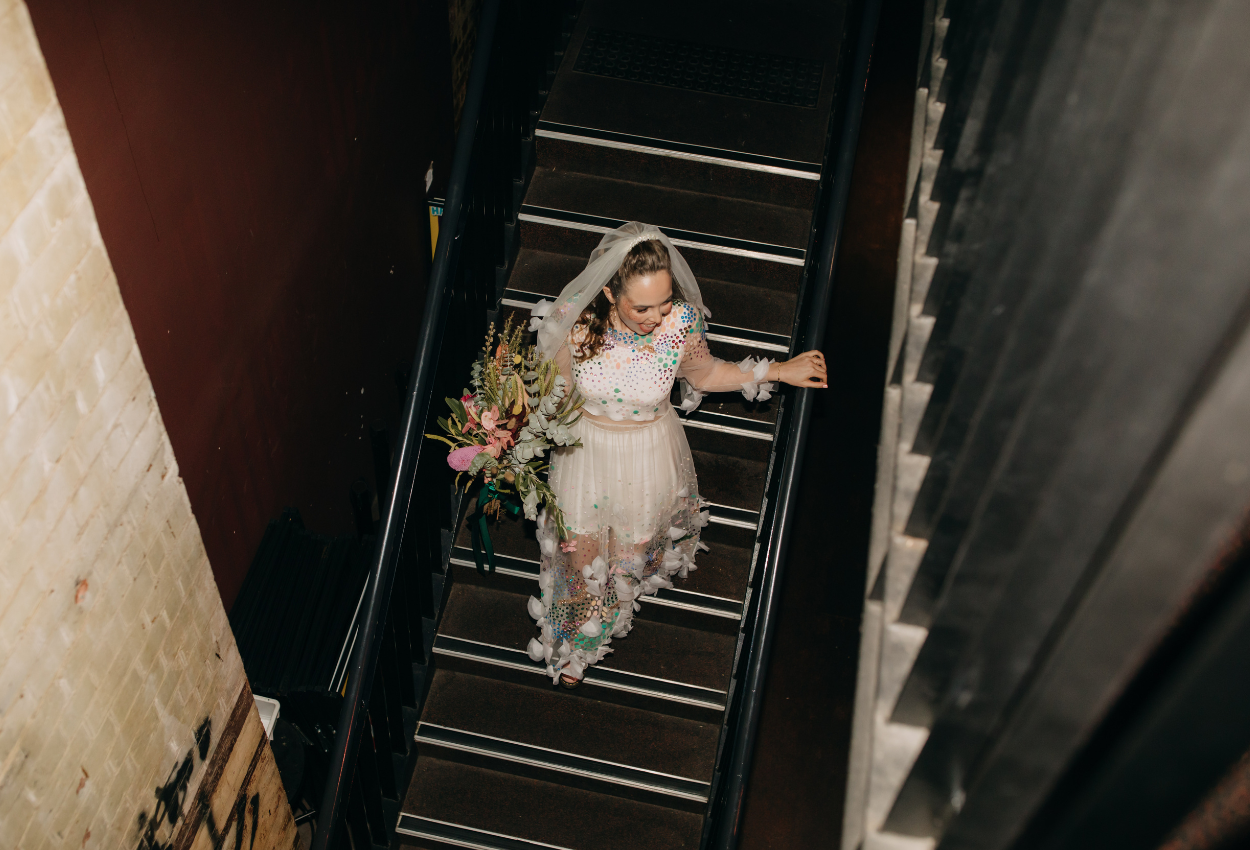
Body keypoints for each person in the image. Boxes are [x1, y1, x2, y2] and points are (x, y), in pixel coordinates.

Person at [525, 222, 827, 687]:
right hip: (585, 455)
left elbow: (705, 376)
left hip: (647, 457)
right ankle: (569, 638)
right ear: (609, 293)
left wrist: (780, 370)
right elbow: (550, 393)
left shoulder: (681, 325)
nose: (655, 315)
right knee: (578, 560)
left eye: (664, 302)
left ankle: (589, 646)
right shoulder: (574, 322)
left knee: (625, 562)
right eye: (641, 306)